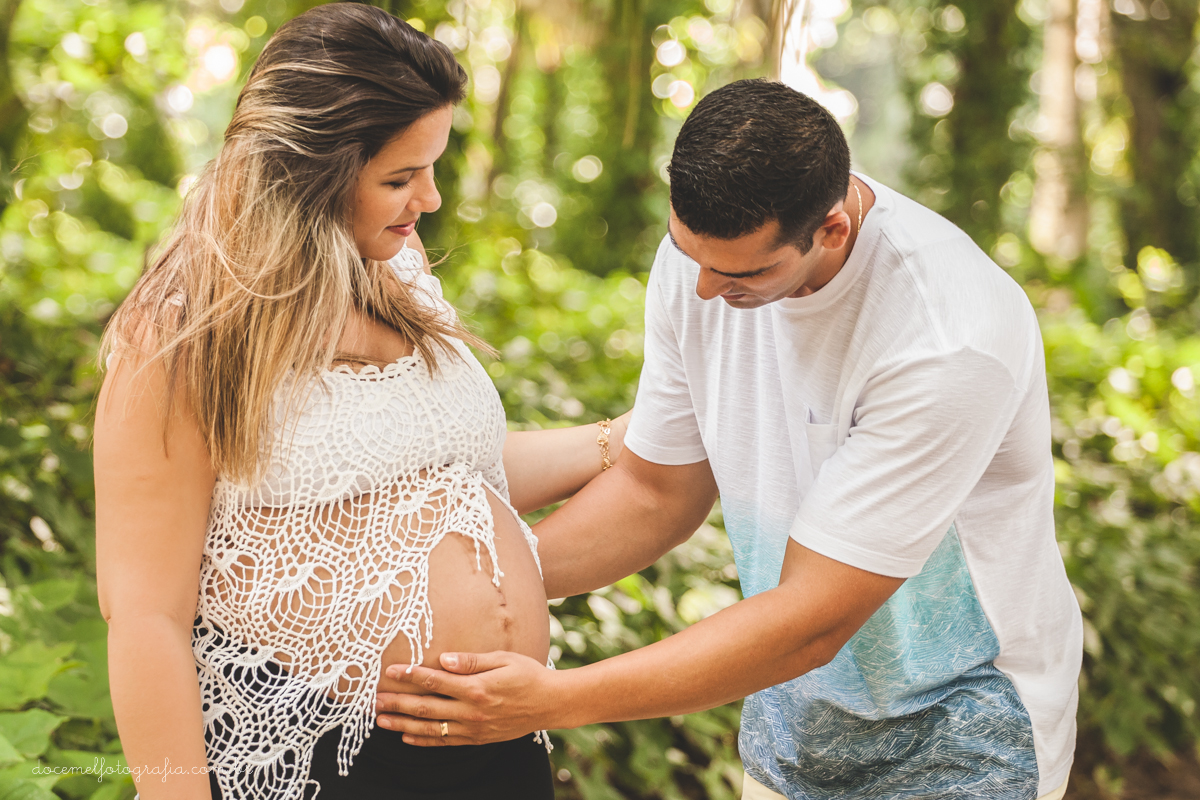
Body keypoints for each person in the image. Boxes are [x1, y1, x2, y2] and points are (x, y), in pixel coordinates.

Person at [375, 79, 1084, 800]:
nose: (708, 292)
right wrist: (457, 601)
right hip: (792, 712)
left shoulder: (946, 339)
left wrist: (554, 699)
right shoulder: (699, 262)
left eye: (742, 273)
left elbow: (815, 617)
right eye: (693, 257)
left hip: (962, 725)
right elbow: (655, 494)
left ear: (832, 229)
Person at [93, 6, 627, 799]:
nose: (431, 199)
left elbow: (435, 462)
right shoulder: (184, 335)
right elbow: (146, 618)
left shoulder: (396, 267)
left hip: (501, 739)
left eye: (432, 167)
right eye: (400, 178)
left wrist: (620, 440)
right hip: (320, 752)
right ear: (308, 173)